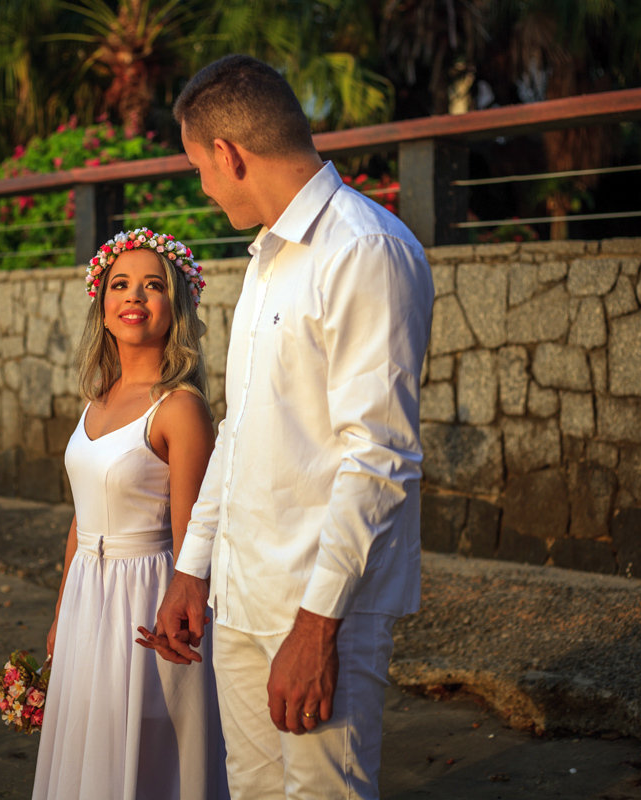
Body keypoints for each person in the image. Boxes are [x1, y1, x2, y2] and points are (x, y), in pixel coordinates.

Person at [138, 55, 435, 799]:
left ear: (229, 155)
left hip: (320, 600)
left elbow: (382, 456)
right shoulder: (269, 258)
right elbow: (239, 432)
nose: (202, 187)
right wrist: (192, 568)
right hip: (242, 594)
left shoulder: (365, 249)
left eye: (198, 168)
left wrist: (317, 625)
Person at [33, 227, 228, 800]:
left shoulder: (181, 408)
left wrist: (183, 607)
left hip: (145, 598)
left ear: (176, 305)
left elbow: (196, 534)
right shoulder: (97, 397)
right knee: (89, 749)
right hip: (86, 597)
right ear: (103, 303)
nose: (134, 297)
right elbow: (81, 519)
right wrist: (61, 610)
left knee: (148, 751)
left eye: (153, 286)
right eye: (120, 284)